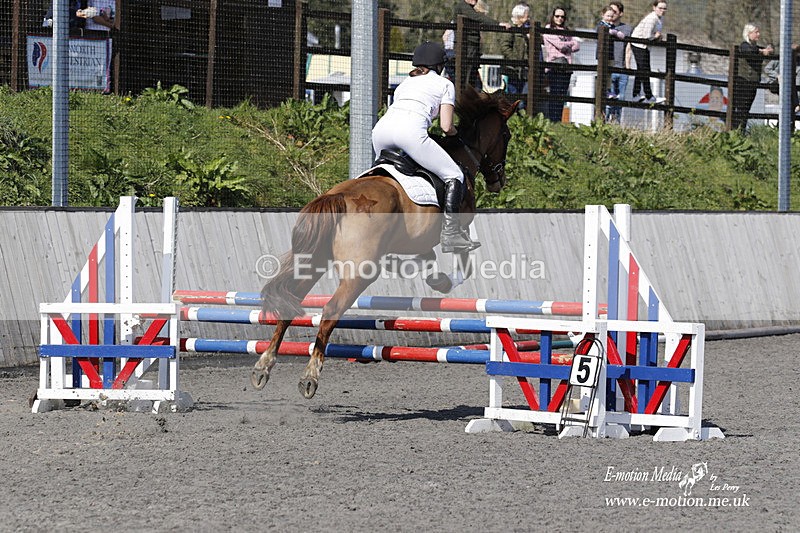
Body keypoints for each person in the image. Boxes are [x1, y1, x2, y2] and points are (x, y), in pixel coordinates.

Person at [371, 42, 478, 253]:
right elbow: (446, 126)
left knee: (384, 176)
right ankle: (451, 234)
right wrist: (457, 137)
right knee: (455, 175)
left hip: (380, 133)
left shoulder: (404, 84)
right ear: (439, 65)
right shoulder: (445, 84)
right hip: (410, 135)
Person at [452, 0, 510, 91]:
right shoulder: (463, 6)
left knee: (470, 77)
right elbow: (476, 17)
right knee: (465, 77)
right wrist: (498, 24)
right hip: (466, 47)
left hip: (471, 47)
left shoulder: (469, 8)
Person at [731, 24, 774, 130]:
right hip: (743, 82)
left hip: (753, 82)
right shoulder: (744, 45)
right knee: (741, 109)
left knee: (746, 110)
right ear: (749, 33)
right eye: (756, 32)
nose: (758, 34)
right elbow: (749, 51)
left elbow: (762, 51)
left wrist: (767, 50)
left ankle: (741, 132)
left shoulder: (757, 48)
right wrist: (762, 51)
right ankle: (736, 131)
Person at [542, 6, 580, 122]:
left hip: (567, 67)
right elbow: (561, 46)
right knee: (555, 94)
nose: (560, 18)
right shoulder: (548, 29)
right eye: (557, 16)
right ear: (553, 17)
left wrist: (567, 46)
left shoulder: (566, 30)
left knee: (562, 95)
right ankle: (552, 120)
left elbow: (577, 45)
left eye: (562, 17)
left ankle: (558, 120)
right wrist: (570, 44)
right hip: (554, 66)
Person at [630, 1, 667, 104]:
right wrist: (656, 36)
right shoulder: (651, 19)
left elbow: (654, 34)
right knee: (644, 70)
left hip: (645, 46)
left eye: (664, 8)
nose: (662, 10)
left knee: (642, 70)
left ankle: (636, 95)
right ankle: (649, 97)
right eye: (660, 8)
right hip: (638, 44)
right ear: (654, 7)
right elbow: (646, 36)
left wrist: (658, 37)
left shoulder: (660, 19)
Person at [606, 2, 632, 121]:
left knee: (620, 98)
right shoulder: (604, 27)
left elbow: (629, 47)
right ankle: (604, 122)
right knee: (608, 99)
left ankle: (616, 123)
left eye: (615, 11)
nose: (612, 13)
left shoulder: (627, 29)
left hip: (622, 68)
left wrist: (628, 66)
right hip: (609, 68)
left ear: (621, 13)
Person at [501, 4, 530, 105]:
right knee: (513, 96)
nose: (528, 18)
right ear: (520, 16)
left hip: (524, 70)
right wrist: (515, 60)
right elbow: (505, 47)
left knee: (523, 97)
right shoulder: (511, 29)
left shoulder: (527, 30)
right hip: (512, 69)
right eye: (526, 15)